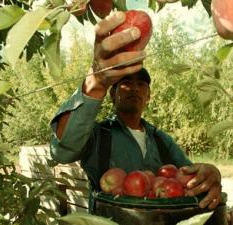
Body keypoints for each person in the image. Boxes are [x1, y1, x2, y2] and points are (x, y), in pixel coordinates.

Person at [49, 11, 222, 212]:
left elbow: (190, 177)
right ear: (112, 95)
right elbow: (61, 151)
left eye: (141, 84)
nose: (134, 88)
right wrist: (96, 83)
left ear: (148, 97)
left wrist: (212, 173)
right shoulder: (98, 134)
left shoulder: (162, 140)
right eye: (125, 83)